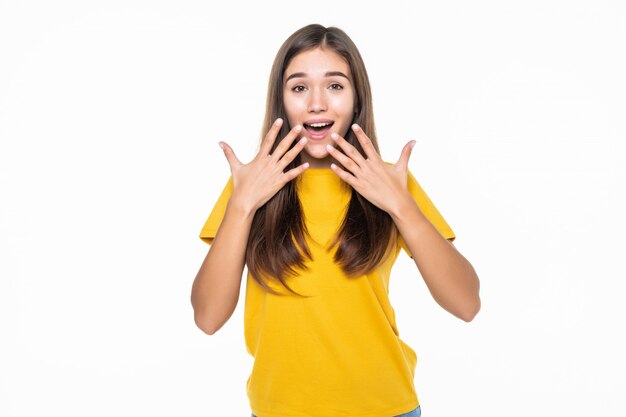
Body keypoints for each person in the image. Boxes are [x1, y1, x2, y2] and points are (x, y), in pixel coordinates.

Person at [191, 23, 481, 417]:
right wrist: (241, 206)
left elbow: (466, 304)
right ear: (281, 101)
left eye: (335, 86)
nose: (317, 104)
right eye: (299, 87)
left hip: (387, 407)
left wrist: (402, 206)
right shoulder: (251, 185)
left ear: (357, 98)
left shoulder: (389, 182)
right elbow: (208, 318)